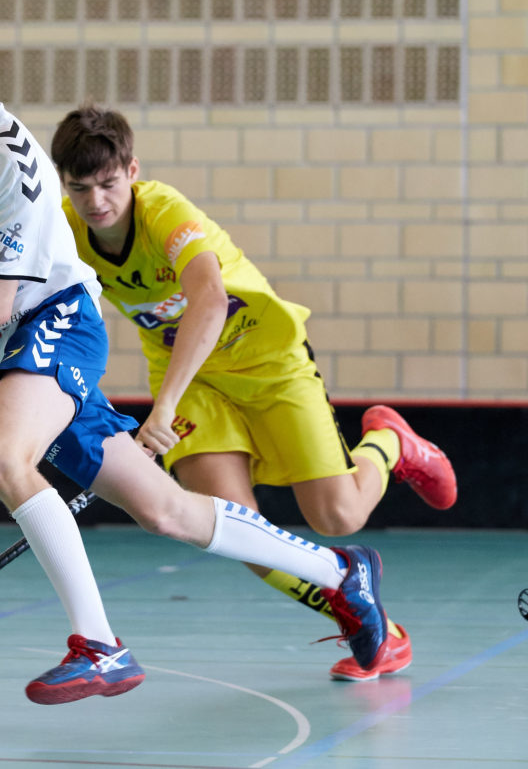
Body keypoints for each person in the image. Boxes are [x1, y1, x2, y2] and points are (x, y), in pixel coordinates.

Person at [0, 0, 396, 705]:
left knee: (0, 454)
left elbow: (2, 301)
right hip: (0, 353)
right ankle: (343, 572)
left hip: (54, 321)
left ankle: (99, 643)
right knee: (166, 508)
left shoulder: (14, 164)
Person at [50, 103, 457, 682]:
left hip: (269, 361)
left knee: (337, 517)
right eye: (80, 187)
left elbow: (209, 301)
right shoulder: (65, 228)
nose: (96, 202)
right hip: (196, 379)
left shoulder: (165, 213)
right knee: (230, 526)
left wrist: (162, 407)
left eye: (109, 184)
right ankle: (372, 625)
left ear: (132, 170)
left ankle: (390, 443)